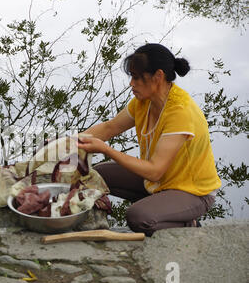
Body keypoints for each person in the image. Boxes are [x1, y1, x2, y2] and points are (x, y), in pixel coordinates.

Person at [76, 43, 221, 237]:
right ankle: (160, 203)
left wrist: (106, 149)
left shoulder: (180, 111)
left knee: (139, 218)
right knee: (97, 176)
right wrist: (68, 144)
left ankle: (188, 224)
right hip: (160, 181)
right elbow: (109, 128)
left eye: (136, 78)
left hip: (192, 192)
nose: (131, 84)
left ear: (158, 76)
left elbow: (154, 171)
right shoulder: (143, 102)